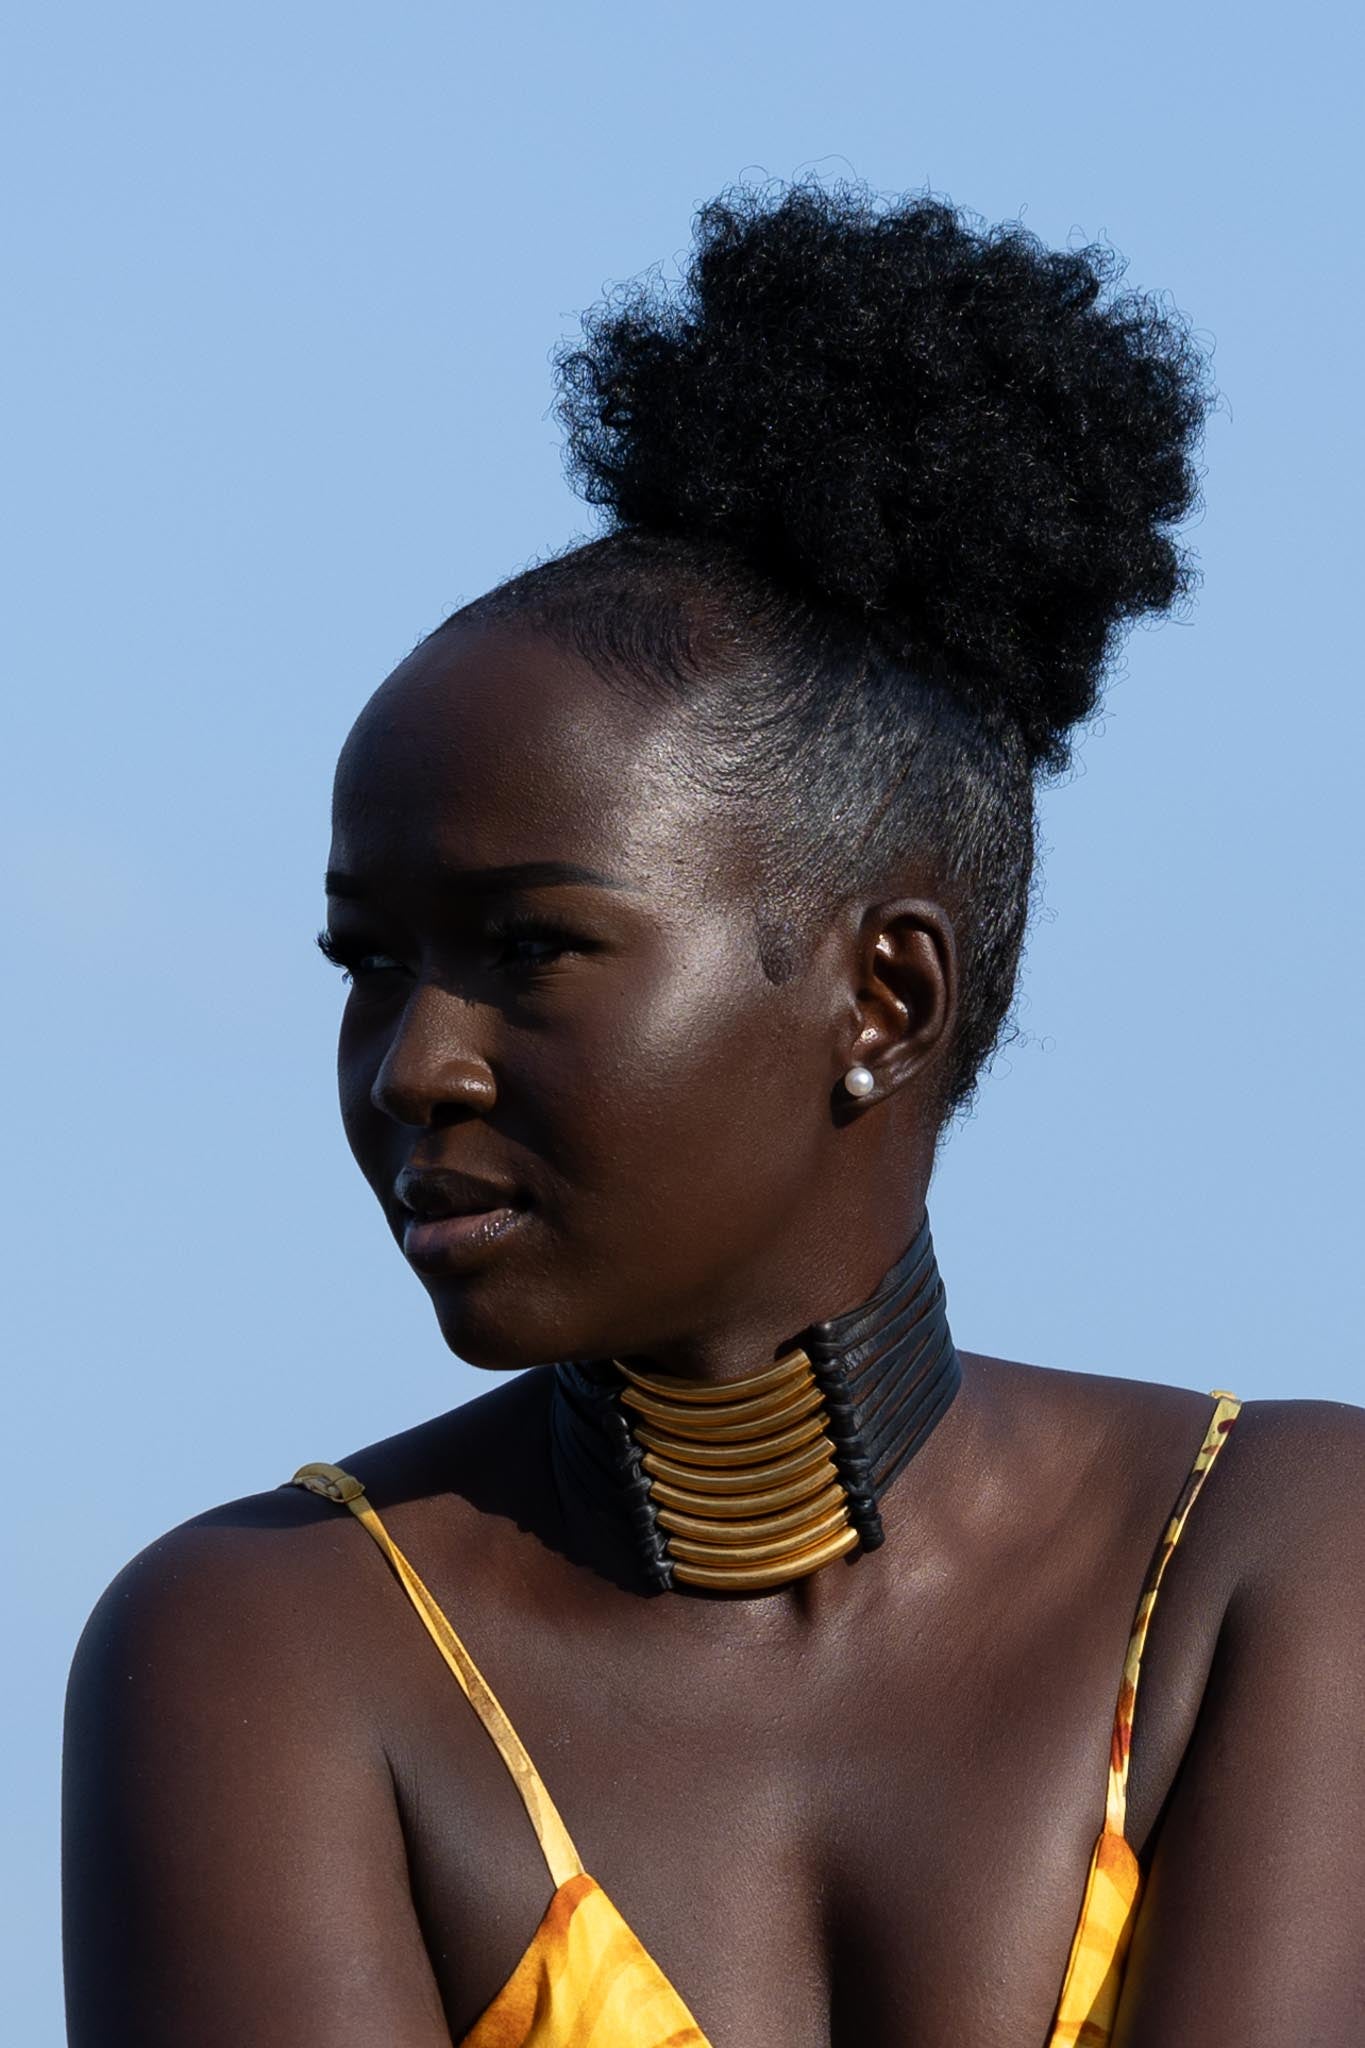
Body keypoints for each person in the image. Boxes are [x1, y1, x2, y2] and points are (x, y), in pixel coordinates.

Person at [62, 182, 1365, 2048]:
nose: (413, 1064)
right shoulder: (264, 1649)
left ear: (883, 999)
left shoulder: (1286, 1558)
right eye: (371, 962)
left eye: (530, 948)